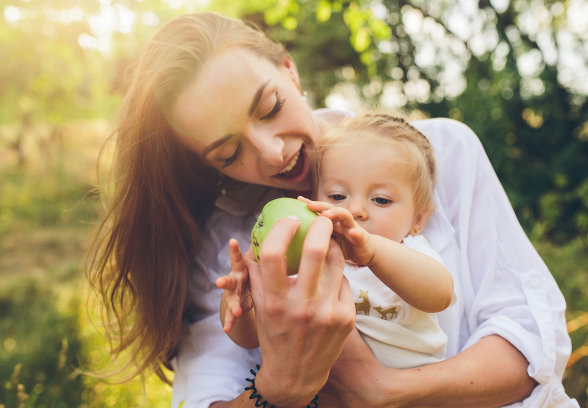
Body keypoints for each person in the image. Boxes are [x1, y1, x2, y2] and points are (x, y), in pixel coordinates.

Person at [86, 10, 578, 408]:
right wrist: (274, 384)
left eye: (271, 106)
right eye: (229, 152)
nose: (272, 152)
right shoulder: (227, 239)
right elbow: (209, 391)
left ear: (289, 69)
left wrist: (384, 392)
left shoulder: (433, 155)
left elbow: (532, 347)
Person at [218, 112, 456, 370]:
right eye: (337, 196)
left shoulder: (411, 252)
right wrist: (243, 300)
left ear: (418, 219)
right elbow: (251, 338)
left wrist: (372, 252)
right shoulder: (306, 261)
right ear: (313, 199)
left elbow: (440, 296)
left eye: (381, 200)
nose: (354, 209)